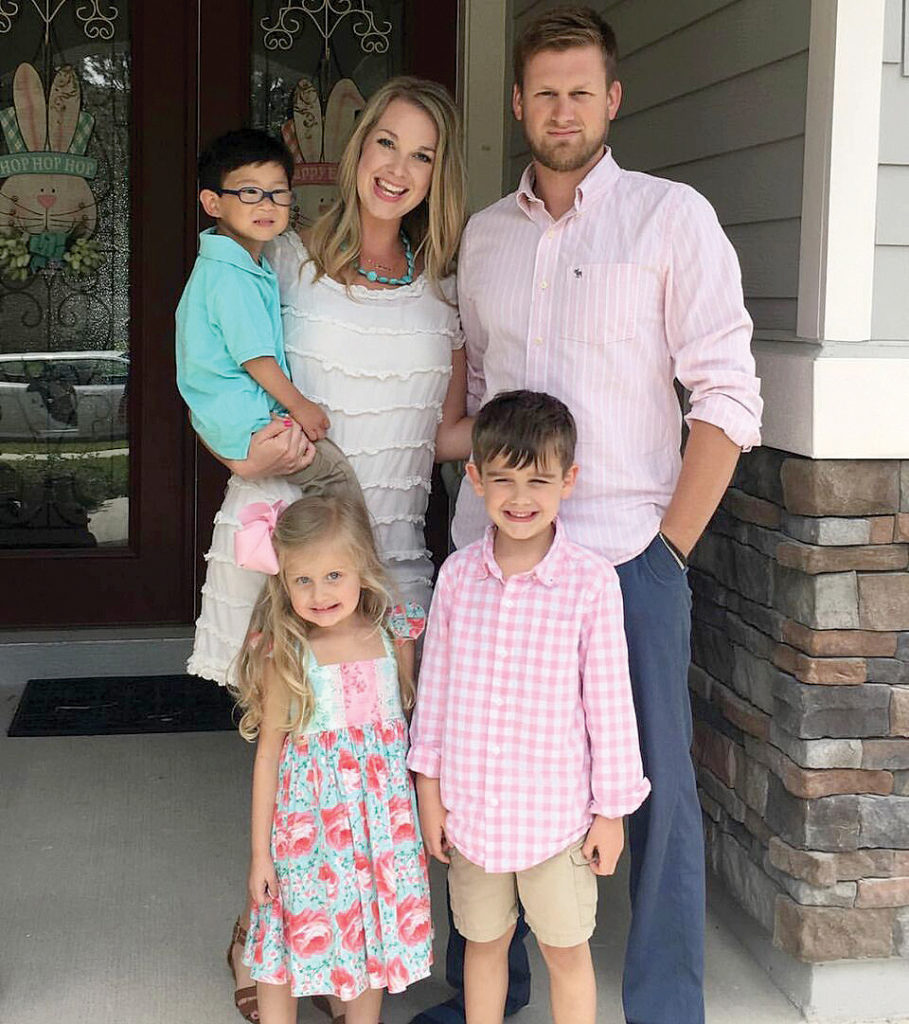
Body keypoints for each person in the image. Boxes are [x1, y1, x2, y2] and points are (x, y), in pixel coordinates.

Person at [424, 9, 763, 1024]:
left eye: (581, 90)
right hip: (495, 561)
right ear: (518, 103)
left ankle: (663, 1008)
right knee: (489, 766)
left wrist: (667, 553)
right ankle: (487, 991)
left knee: (652, 789)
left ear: (612, 99)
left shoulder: (671, 219)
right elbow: (480, 388)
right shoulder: (485, 236)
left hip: (622, 556)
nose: (561, 108)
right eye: (543, 91)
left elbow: (729, 395)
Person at [183, 78, 467, 1023]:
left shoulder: (445, 288)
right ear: (355, 150)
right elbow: (215, 360)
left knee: (368, 771)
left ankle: (346, 949)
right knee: (287, 749)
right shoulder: (284, 260)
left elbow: (440, 434)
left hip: (387, 558)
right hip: (287, 544)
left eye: (420, 154)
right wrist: (233, 448)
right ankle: (260, 930)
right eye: (384, 143)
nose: (397, 168)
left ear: (439, 173)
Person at [409, 391, 649, 1024]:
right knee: (482, 945)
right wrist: (429, 795)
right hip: (472, 817)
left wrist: (611, 814)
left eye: (539, 479)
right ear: (475, 479)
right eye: (504, 479)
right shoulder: (458, 578)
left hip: (558, 823)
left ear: (568, 480)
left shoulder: (591, 584)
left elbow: (610, 709)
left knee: (565, 951)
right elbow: (432, 697)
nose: (520, 497)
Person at [233, 495, 432, 1024]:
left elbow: (411, 738)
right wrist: (260, 854)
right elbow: (270, 754)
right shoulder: (289, 654)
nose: (319, 594)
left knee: (370, 937)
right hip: (308, 833)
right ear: (283, 581)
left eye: (334, 575)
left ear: (362, 569)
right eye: (303, 580)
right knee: (288, 940)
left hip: (380, 833)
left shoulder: (395, 638)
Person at [175, 128, 360, 502]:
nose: (266, 204)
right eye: (249, 192)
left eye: (278, 193)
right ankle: (340, 560)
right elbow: (255, 358)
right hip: (247, 419)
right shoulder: (232, 276)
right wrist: (300, 406)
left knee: (292, 504)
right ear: (213, 203)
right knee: (335, 483)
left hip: (231, 416)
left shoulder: (234, 264)